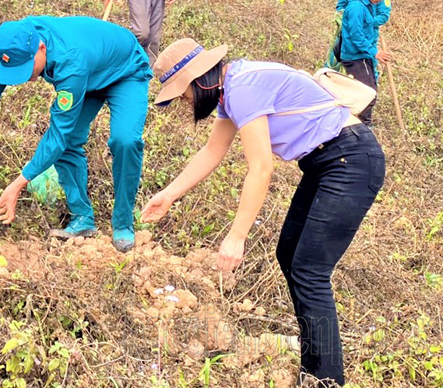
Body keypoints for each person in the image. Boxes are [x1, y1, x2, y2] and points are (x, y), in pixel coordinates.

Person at [141, 39, 385, 387]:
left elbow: (261, 168)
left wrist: (236, 236)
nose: (185, 102)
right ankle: (313, 359)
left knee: (310, 270)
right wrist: (168, 195)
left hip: (350, 160)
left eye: (183, 94)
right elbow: (213, 151)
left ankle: (325, 380)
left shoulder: (242, 88)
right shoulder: (233, 88)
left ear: (199, 80)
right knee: (289, 256)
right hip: (327, 163)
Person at [0, 16, 152, 252]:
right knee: (70, 141)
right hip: (90, 71)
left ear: (41, 48)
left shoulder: (70, 61)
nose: (24, 78)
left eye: (26, 67)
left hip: (125, 70)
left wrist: (18, 184)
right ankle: (82, 218)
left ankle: (123, 222)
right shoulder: (17, 39)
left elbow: (58, 133)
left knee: (125, 140)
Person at [339, 0, 396, 125]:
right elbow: (356, 37)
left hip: (364, 55)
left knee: (367, 91)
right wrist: (375, 52)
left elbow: (369, 26)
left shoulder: (369, 4)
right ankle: (362, 128)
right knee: (368, 94)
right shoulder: (357, 8)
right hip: (355, 56)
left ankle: (357, 124)